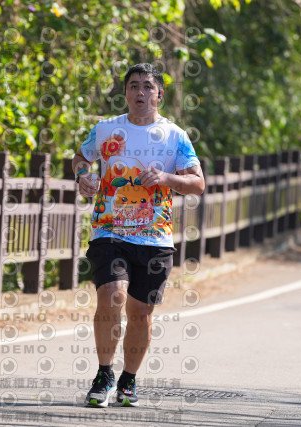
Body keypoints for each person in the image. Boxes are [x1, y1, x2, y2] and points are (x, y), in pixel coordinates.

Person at [71, 63, 205, 407]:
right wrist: (83, 175)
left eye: (148, 86)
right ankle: (104, 374)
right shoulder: (105, 129)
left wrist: (166, 178)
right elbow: (81, 158)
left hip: (154, 238)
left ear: (159, 94)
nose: (140, 92)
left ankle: (128, 379)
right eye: (134, 86)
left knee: (141, 313)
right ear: (126, 92)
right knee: (111, 296)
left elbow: (197, 183)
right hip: (109, 231)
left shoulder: (175, 136)